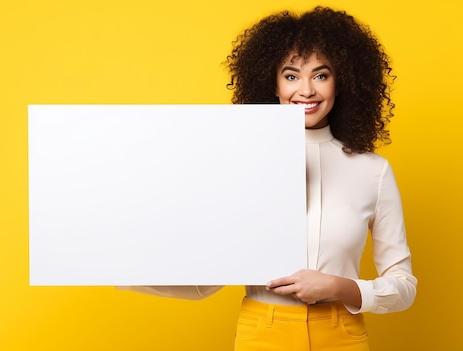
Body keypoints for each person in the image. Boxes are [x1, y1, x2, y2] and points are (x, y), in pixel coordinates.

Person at [119, 6, 417, 350]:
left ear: (342, 81)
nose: (306, 90)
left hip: (342, 334)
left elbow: (403, 285)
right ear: (271, 83)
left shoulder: (372, 170)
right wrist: (118, 269)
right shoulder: (238, 162)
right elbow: (207, 282)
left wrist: (338, 287)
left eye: (321, 75)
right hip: (263, 332)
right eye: (291, 76)